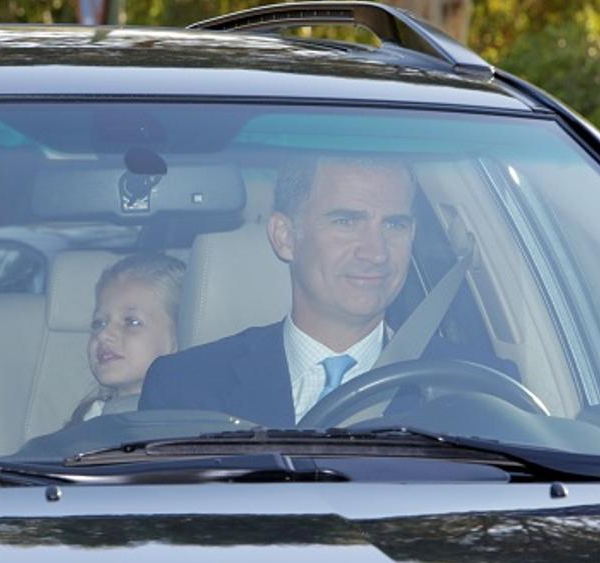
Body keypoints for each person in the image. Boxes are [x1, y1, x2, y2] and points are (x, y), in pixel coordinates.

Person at [139, 155, 417, 427]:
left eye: (394, 225)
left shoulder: (453, 385)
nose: (376, 253)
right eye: (345, 222)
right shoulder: (187, 387)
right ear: (284, 236)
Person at [68, 252, 185, 425]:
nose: (103, 334)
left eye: (131, 322)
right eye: (99, 323)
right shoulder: (87, 418)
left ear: (180, 335)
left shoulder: (187, 423)